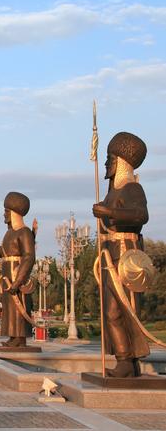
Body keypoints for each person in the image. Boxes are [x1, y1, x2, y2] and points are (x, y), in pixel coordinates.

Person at [92, 132, 150, 378]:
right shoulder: (111, 193)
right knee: (110, 311)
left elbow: (140, 215)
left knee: (123, 310)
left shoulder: (132, 188)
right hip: (109, 256)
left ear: (121, 161)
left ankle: (128, 360)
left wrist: (110, 213)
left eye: (109, 158)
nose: (106, 163)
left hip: (126, 256)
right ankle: (125, 359)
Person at [0, 192, 35, 348]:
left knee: (19, 306)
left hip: (17, 275)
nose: (4, 214)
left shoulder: (24, 232)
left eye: (6, 211)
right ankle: (13, 337)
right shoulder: (9, 233)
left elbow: (29, 257)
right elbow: (4, 251)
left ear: (15, 214)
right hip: (7, 274)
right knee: (10, 308)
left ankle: (20, 338)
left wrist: (18, 281)